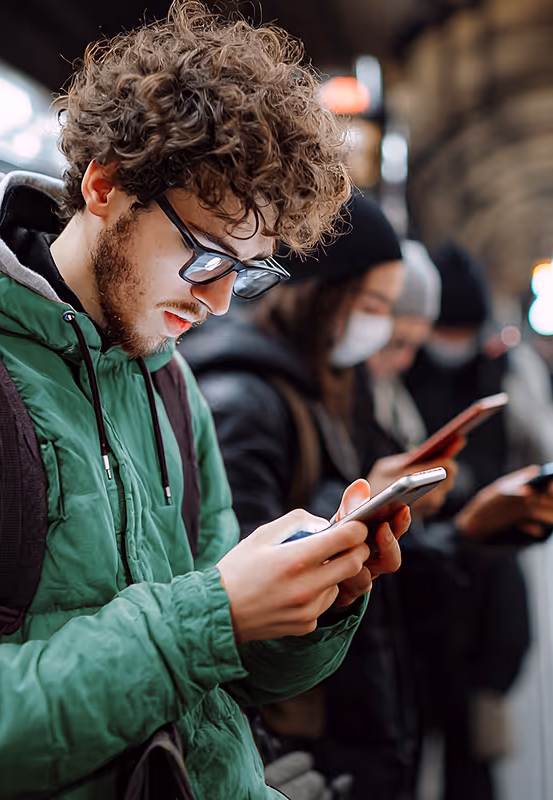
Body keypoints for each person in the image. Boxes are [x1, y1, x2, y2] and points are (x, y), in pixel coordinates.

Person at [0, 5, 412, 798]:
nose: (222, 302)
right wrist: (210, 618)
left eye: (251, 270)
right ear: (106, 182)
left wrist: (310, 598)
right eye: (205, 254)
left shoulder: (164, 380)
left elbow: (228, 678)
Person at [182, 196, 458, 800]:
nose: (381, 329)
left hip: (342, 698)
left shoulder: (330, 386)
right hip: (301, 722)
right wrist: (355, 504)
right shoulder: (246, 399)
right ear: (323, 291)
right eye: (373, 306)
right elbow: (237, 572)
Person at [403, 242, 541, 800]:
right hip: (413, 587)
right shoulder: (394, 372)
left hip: (482, 592)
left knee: (473, 763)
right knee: (404, 753)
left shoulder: (504, 369)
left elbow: (538, 442)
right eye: (444, 328)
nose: (451, 343)